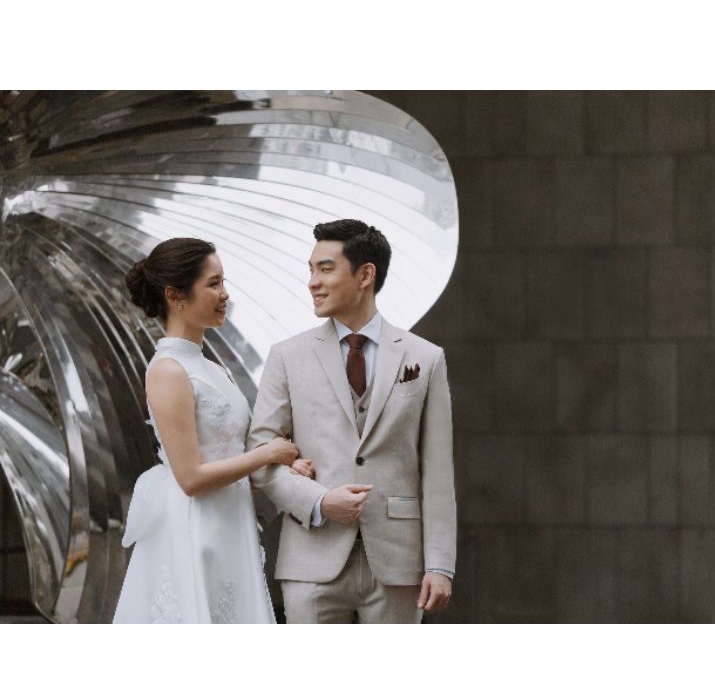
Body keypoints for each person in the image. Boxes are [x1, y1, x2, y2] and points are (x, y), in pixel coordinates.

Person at [247, 219, 457, 624]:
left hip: (399, 561)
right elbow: (260, 458)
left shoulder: (425, 358)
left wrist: (440, 564)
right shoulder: (287, 356)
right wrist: (319, 501)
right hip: (311, 558)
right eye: (311, 269)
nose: (312, 281)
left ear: (365, 275)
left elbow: (437, 470)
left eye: (325, 269)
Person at [113, 237, 300, 624]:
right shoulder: (168, 370)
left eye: (223, 282)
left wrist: (283, 464)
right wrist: (266, 454)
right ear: (175, 295)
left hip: (232, 522)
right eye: (213, 284)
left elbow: (232, 455)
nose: (224, 294)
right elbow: (190, 478)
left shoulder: (213, 368)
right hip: (196, 528)